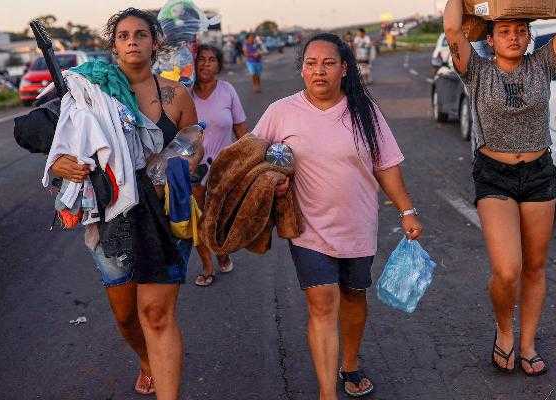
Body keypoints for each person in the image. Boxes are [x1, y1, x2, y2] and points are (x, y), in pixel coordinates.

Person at [252, 33, 423, 399]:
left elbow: (387, 166)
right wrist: (272, 182)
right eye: (311, 64)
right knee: (322, 301)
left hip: (358, 227)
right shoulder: (281, 112)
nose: (319, 71)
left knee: (353, 297)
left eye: (328, 63)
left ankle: (350, 363)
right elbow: (252, 161)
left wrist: (406, 210)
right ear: (302, 70)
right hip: (308, 228)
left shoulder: (364, 111)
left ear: (344, 69)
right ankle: (327, 393)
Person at [49, 8, 202, 398]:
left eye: (140, 34)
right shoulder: (89, 93)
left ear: (155, 42)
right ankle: (146, 358)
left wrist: (181, 166)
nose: (132, 41)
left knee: (155, 313)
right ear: (114, 46)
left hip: (165, 212)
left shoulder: (176, 93)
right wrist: (62, 163)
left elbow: (194, 142)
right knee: (126, 316)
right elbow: (60, 140)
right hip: (115, 214)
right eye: (123, 35)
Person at [443, 0, 556, 377]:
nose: (513, 37)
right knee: (508, 269)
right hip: (494, 174)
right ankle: (504, 331)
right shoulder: (475, 72)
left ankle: (528, 344)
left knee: (535, 267)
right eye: (504, 31)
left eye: (520, 31)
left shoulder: (544, 64)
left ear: (529, 37)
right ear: (489, 39)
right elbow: (453, 29)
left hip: (539, 172)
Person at [191, 44, 248, 286]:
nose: (206, 64)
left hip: (222, 168)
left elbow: (241, 130)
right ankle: (206, 266)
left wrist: (248, 163)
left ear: (219, 65)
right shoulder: (184, 92)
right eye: (201, 59)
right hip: (192, 167)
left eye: (211, 59)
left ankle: (222, 251)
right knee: (198, 218)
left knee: (219, 217)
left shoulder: (227, 91)